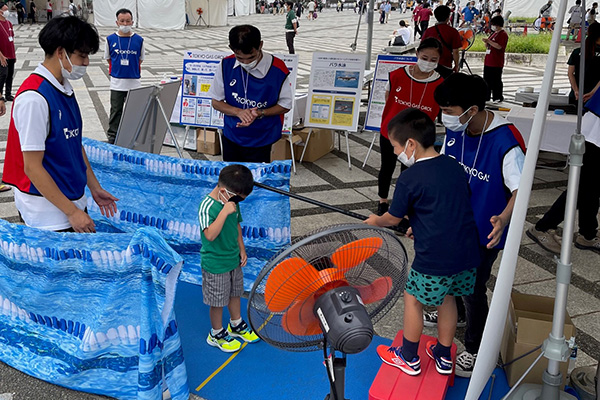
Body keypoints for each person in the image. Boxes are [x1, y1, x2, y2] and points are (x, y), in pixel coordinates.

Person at [367, 108, 480, 377]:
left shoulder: (410, 177)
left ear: (410, 144)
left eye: (395, 146)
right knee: (448, 298)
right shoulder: (453, 165)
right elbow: (447, 206)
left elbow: (394, 218)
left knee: (413, 299)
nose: (395, 153)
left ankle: (408, 357)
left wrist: (375, 221)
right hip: (466, 253)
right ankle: (443, 356)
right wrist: (419, 227)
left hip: (434, 257)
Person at [432, 73, 525, 377]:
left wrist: (504, 218)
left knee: (473, 289)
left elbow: (520, 190)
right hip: (456, 224)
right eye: (442, 109)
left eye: (449, 109)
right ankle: (456, 314)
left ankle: (476, 348)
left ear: (472, 109)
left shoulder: (506, 141)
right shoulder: (457, 130)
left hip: (486, 232)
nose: (444, 116)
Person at [2, 16, 118, 232]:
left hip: (72, 198)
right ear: (60, 52)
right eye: (82, 56)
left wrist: (93, 187)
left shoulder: (63, 85)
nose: (86, 63)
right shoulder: (34, 98)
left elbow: (74, 144)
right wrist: (72, 212)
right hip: (47, 212)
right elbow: (32, 167)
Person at [376, 38, 444, 216]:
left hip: (418, 138)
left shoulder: (440, 84)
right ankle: (383, 200)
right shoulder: (397, 75)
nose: (428, 63)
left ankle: (404, 206)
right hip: (391, 133)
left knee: (409, 173)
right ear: (417, 55)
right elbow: (387, 97)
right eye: (425, 57)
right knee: (387, 167)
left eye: (433, 60)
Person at [527, 91, 600, 255]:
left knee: (591, 186)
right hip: (596, 128)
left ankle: (588, 233)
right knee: (584, 185)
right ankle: (543, 227)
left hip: (595, 127)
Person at [209, 25, 293, 163]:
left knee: (259, 180)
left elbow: (285, 105)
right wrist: (238, 112)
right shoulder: (226, 65)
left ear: (260, 45)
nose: (246, 63)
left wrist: (260, 112)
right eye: (240, 58)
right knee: (233, 179)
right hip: (232, 136)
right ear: (231, 48)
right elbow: (216, 102)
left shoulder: (277, 69)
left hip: (265, 137)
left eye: (251, 57)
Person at [199, 164, 260, 352]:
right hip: (215, 263)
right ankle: (216, 333)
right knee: (218, 301)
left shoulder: (232, 204)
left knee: (235, 292)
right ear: (225, 191)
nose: (237, 203)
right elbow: (209, 235)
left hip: (233, 259)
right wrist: (224, 212)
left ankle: (236, 324)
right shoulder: (207, 206)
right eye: (237, 199)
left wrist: (242, 249)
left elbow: (237, 226)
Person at [103, 8, 145, 144]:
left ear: (132, 22)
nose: (125, 24)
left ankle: (134, 134)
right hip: (117, 82)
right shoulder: (110, 39)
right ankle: (113, 135)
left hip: (134, 82)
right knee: (116, 110)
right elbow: (108, 59)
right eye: (122, 21)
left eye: (128, 21)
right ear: (117, 22)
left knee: (134, 110)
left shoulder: (139, 40)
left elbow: (140, 59)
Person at [422, 5, 462, 77]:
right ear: (448, 17)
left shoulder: (429, 31)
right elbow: (455, 51)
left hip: (430, 64)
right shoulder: (453, 32)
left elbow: (422, 48)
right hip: (446, 65)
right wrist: (456, 65)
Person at [566, 22, 600, 106]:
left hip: (577, 96)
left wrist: (576, 91)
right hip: (596, 98)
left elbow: (570, 73)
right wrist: (592, 93)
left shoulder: (577, 52)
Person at [482, 15, 508, 103]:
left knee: (496, 80)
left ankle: (497, 96)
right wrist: (487, 43)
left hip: (496, 61)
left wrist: (489, 41)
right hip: (489, 60)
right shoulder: (494, 33)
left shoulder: (503, 34)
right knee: (487, 79)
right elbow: (490, 44)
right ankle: (487, 96)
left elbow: (499, 46)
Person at [0, 1, 16, 102]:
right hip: (3, 55)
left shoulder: (9, 23)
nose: (7, 12)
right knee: (3, 75)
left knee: (10, 75)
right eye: (5, 10)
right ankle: (0, 94)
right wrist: (1, 56)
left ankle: (8, 94)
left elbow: (12, 39)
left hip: (11, 54)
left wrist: (14, 54)